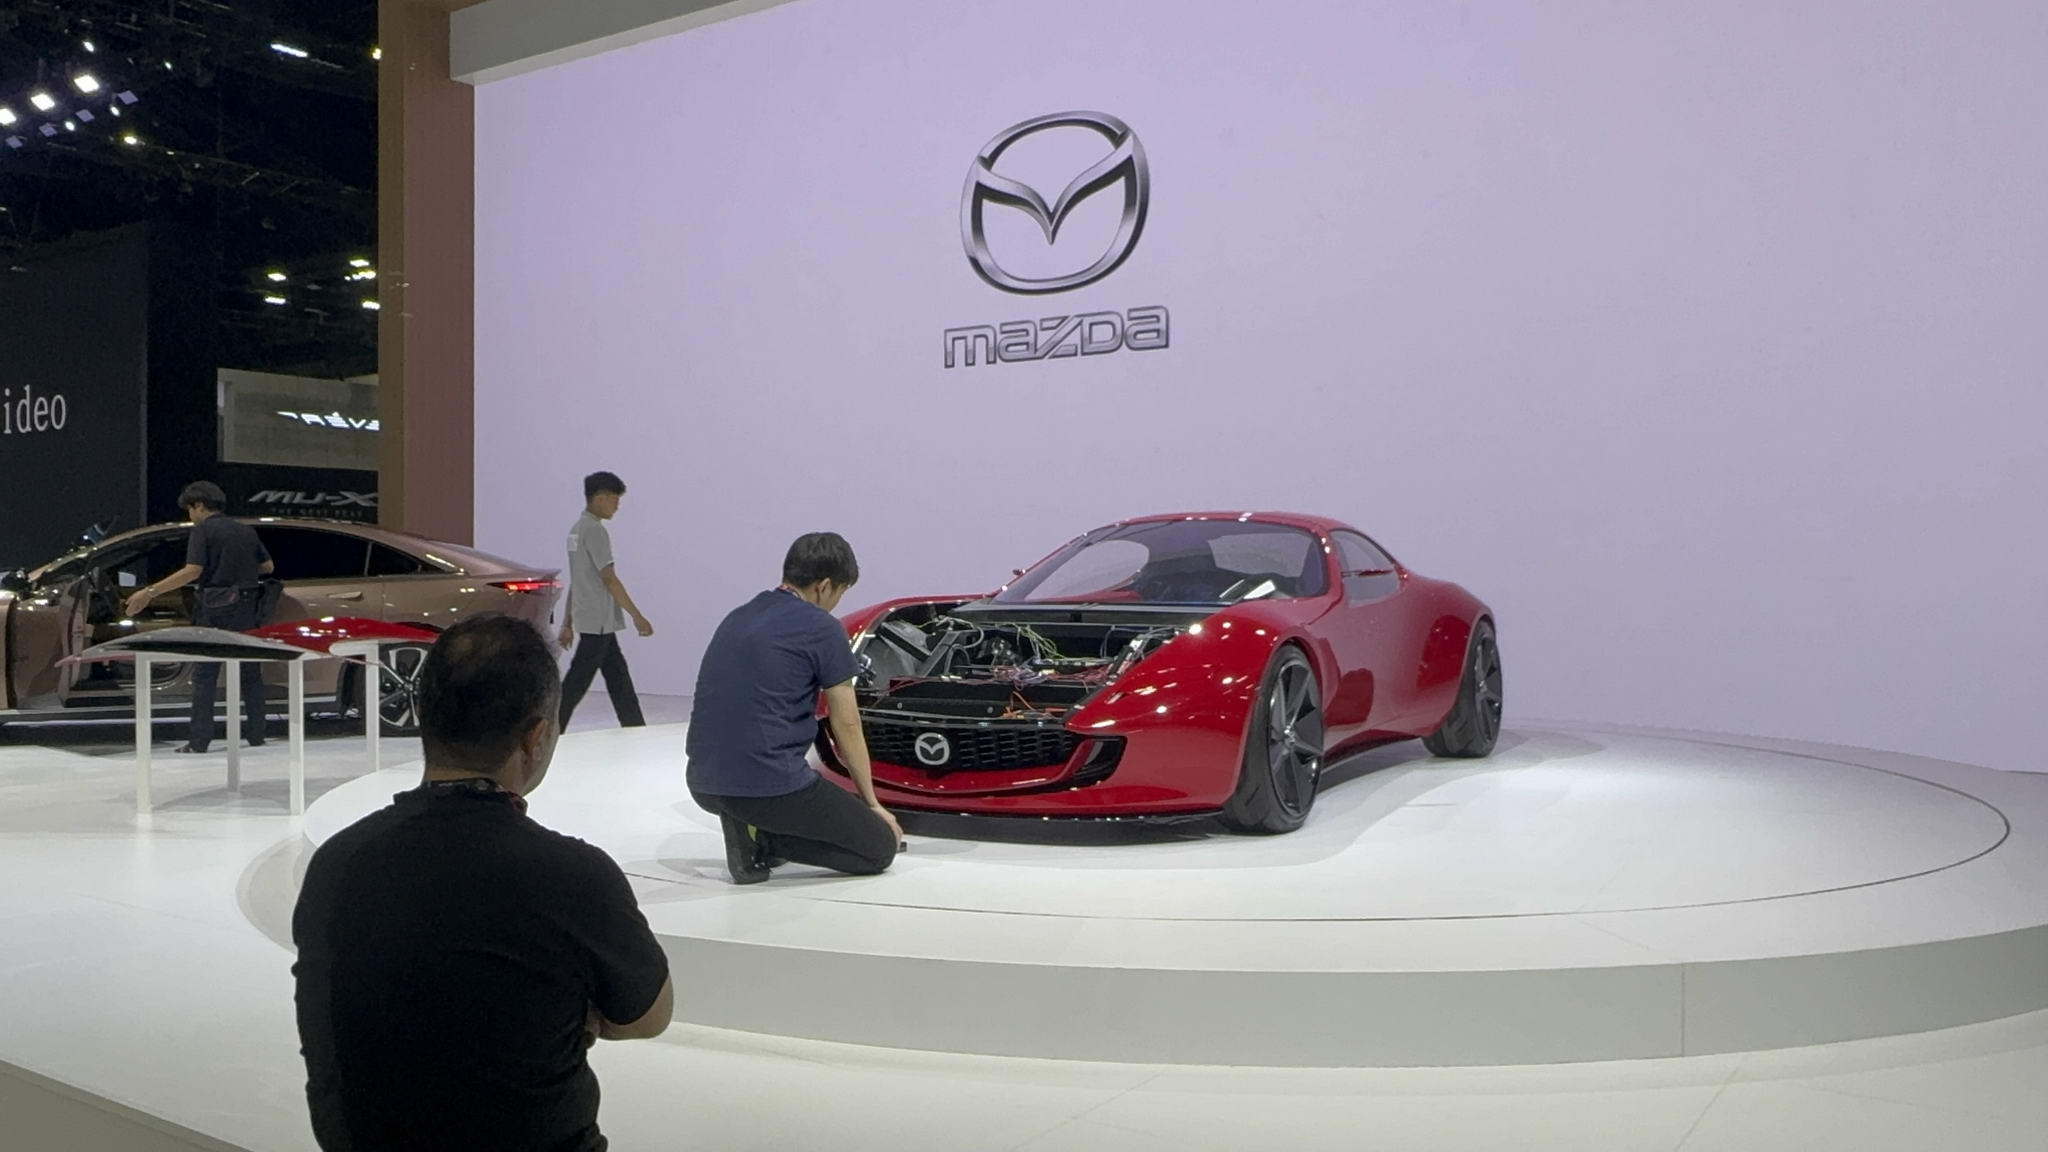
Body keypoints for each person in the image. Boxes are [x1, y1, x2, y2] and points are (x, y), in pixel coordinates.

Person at [292, 615, 673, 1152]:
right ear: (536, 737)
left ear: (426, 717)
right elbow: (649, 1016)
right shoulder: (572, 875)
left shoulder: (338, 863)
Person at [687, 532, 902, 884]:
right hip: (766, 786)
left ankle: (751, 826)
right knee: (878, 847)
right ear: (824, 586)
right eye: (841, 592)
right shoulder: (823, 628)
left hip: (702, 782)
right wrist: (873, 805)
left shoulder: (737, 616)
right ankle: (761, 839)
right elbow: (846, 724)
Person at [122, 481, 273, 754]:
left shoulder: (203, 531)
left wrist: (149, 592)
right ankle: (256, 735)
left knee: (205, 675)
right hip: (247, 606)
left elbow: (192, 570)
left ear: (199, 505)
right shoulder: (246, 531)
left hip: (215, 608)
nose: (190, 516)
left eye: (190, 510)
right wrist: (239, 572)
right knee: (250, 672)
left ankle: (199, 741)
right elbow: (268, 566)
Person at [558, 471, 651, 730]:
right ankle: (552, 727)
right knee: (577, 681)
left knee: (617, 676)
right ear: (600, 498)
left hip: (595, 619)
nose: (617, 506)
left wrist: (567, 622)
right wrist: (637, 616)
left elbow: (578, 579)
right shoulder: (595, 531)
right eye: (614, 500)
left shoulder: (576, 530)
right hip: (598, 620)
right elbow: (608, 578)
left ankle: (635, 726)